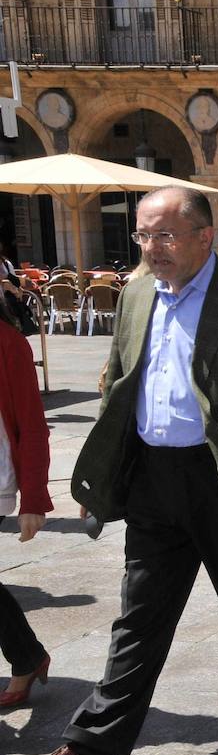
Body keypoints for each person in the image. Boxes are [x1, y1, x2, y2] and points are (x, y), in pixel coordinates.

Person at [8, 187, 218, 755]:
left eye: (166, 235)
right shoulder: (137, 291)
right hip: (152, 479)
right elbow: (118, 379)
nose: (152, 248)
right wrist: (103, 468)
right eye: (144, 236)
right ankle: (92, 746)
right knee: (139, 618)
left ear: (205, 235)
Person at [0, 299, 53, 710]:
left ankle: (27, 656)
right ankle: (27, 656)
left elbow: (33, 423)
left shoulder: (9, 344)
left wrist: (33, 498)